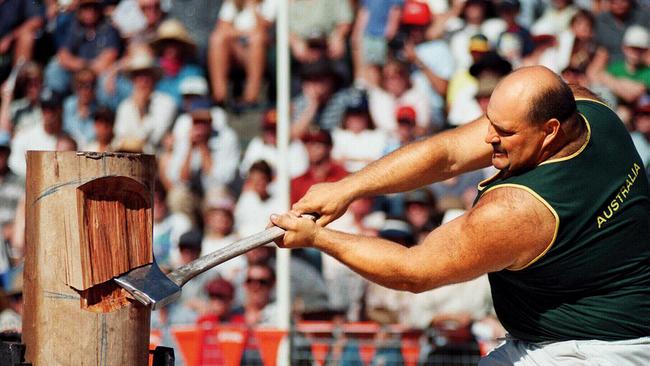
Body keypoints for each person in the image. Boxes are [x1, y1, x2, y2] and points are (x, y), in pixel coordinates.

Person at [271, 66, 650, 365]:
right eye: (490, 122)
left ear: (549, 131)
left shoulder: (519, 210)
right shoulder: (590, 112)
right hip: (585, 334)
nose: (488, 139)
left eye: (503, 131)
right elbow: (449, 152)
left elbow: (412, 270)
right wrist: (346, 188)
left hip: (591, 352)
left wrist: (318, 238)